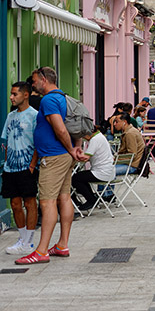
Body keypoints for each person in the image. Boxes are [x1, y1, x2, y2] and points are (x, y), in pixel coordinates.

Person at [16, 67, 83, 265]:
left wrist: (72, 150)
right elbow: (75, 126)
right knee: (64, 197)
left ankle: (42, 250)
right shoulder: (64, 97)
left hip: (53, 158)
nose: (33, 84)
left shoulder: (48, 100)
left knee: (46, 202)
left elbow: (60, 128)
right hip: (61, 156)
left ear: (44, 80)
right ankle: (62, 245)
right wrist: (75, 148)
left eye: (35, 81)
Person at [2, 82, 39, 255]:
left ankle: (29, 242)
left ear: (26, 95)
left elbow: (38, 143)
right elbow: (6, 141)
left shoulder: (34, 116)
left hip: (27, 167)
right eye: (11, 94)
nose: (11, 97)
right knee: (15, 204)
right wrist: (6, 163)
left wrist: (32, 164)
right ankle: (22, 239)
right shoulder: (10, 116)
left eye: (15, 94)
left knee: (30, 202)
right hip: (10, 167)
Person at [71, 127, 115, 212]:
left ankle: (91, 199)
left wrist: (74, 154)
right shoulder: (100, 136)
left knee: (75, 179)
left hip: (101, 173)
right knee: (82, 177)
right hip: (108, 171)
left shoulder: (94, 140)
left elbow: (86, 157)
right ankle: (92, 198)